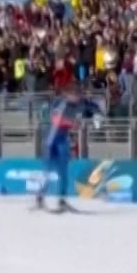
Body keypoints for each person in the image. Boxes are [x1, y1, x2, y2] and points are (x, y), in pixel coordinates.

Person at [35, 83, 101, 212]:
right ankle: (40, 197)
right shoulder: (61, 102)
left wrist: (97, 115)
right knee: (47, 171)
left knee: (63, 172)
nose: (77, 98)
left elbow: (94, 107)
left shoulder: (81, 102)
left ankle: (62, 200)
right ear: (67, 95)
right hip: (51, 140)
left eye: (78, 95)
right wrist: (74, 123)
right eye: (74, 95)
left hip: (62, 140)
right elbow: (56, 119)